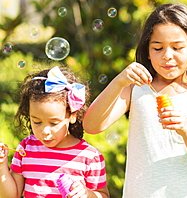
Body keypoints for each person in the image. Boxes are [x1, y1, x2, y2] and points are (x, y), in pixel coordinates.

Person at [83, 3, 187, 198]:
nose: (167, 56)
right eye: (158, 48)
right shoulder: (136, 89)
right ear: (147, 51)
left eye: (177, 48)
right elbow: (91, 125)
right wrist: (118, 82)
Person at [0, 66, 109, 198]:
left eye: (54, 123)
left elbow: (103, 195)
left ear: (72, 115)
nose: (45, 131)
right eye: (37, 122)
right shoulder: (26, 148)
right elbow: (11, 195)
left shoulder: (89, 157)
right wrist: (2, 166)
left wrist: (88, 194)